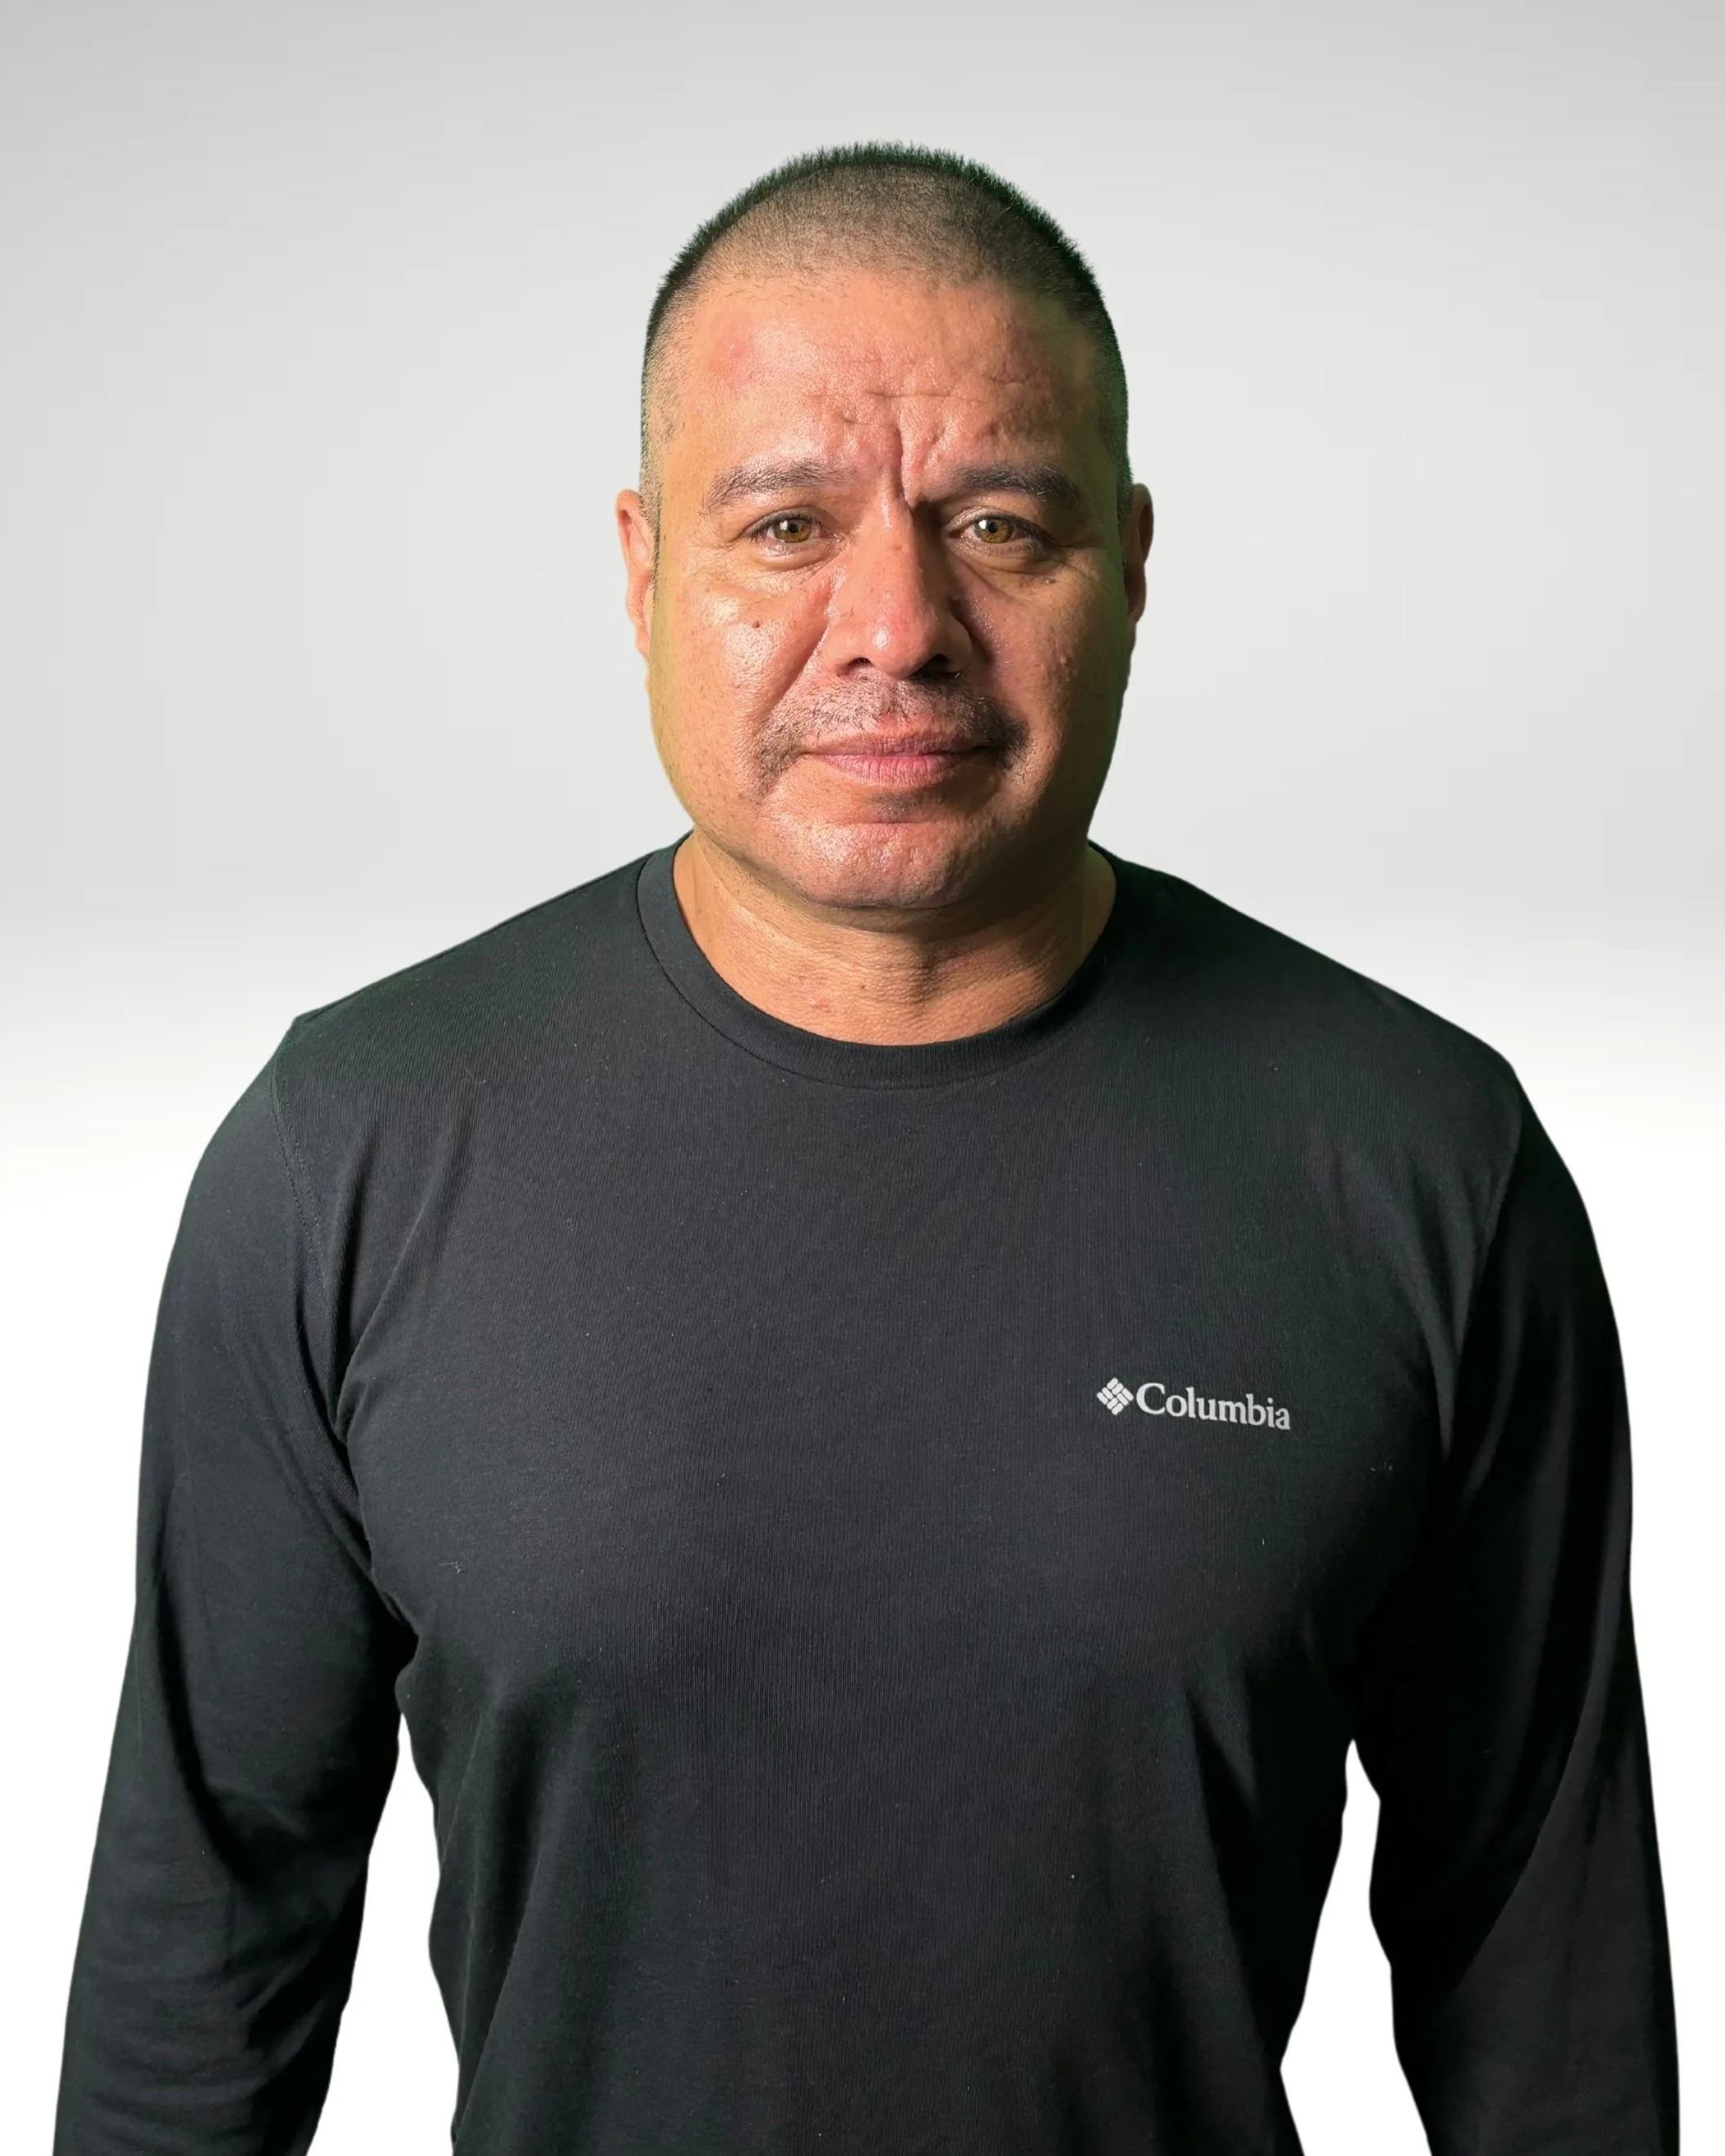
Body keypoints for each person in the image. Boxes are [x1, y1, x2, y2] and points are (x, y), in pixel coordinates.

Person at [55, 144, 1677, 2155]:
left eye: (998, 523)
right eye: (787, 525)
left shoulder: (1425, 1165)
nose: (896, 624)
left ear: (1133, 568)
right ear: (646, 573)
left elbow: (1553, 1995)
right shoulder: (354, 1148)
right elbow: (200, 1969)